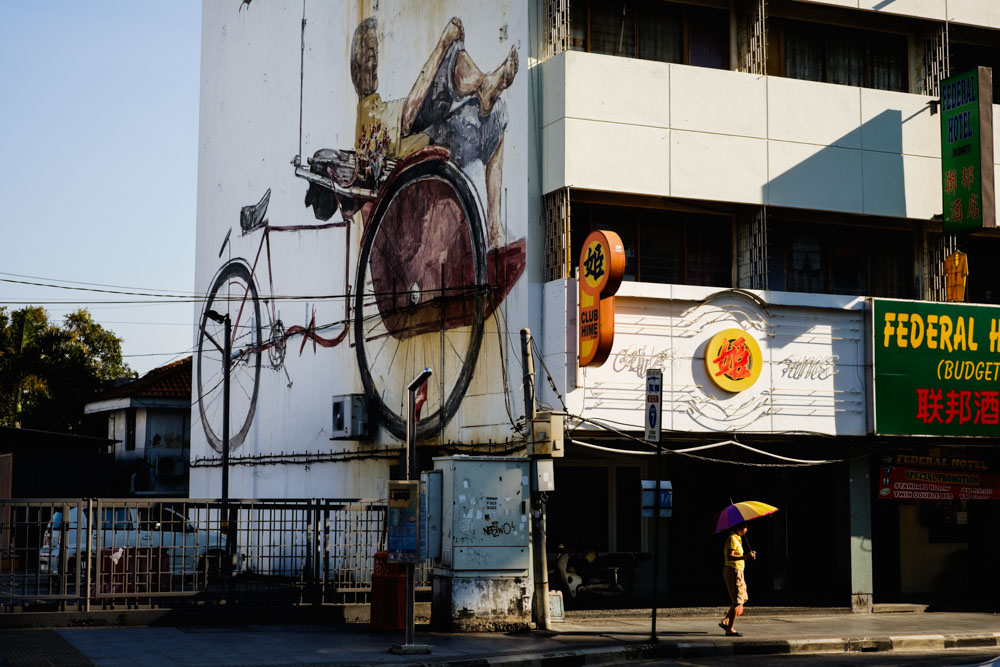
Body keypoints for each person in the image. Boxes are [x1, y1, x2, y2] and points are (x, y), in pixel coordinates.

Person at [349, 16, 518, 247]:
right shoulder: (368, 115)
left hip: (429, 144)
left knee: (496, 112)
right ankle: (482, 85)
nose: (376, 63)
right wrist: (441, 44)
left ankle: (495, 228)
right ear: (356, 73)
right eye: (370, 57)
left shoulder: (377, 109)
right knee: (449, 54)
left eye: (376, 55)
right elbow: (407, 118)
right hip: (425, 157)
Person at [720, 522, 755, 636]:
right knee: (737, 601)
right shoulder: (732, 539)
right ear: (738, 528)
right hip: (733, 571)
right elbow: (730, 556)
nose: (746, 530)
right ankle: (730, 629)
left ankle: (726, 620)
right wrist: (746, 556)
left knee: (743, 598)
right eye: (745, 527)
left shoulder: (737, 538)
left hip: (739, 571)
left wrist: (748, 555)